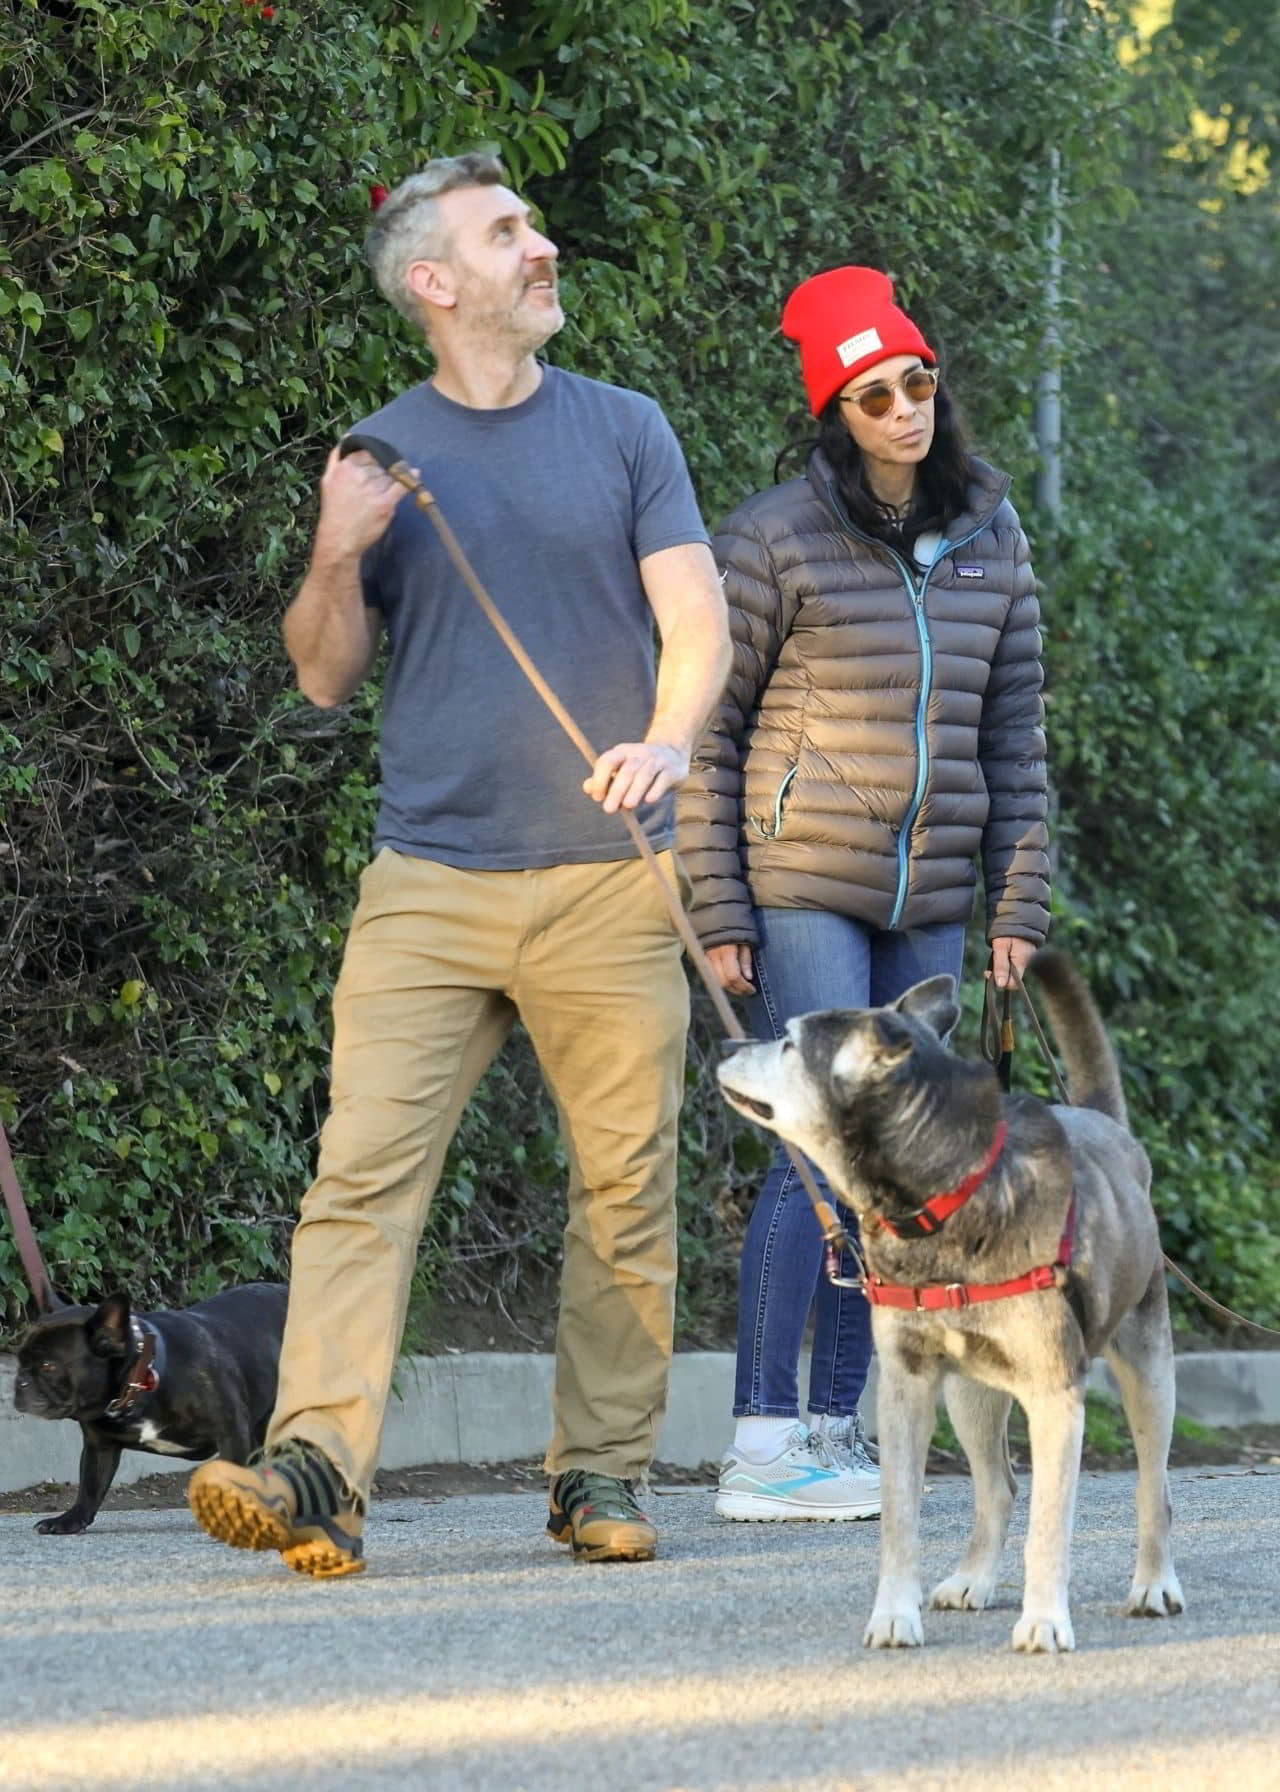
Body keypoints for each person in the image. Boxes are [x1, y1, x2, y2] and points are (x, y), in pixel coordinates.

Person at [188, 154, 731, 1575]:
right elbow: (320, 679)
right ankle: (316, 1465)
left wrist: (671, 740)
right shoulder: (375, 455)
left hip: (610, 873)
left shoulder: (626, 431)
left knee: (624, 1188)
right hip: (427, 879)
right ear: (434, 281)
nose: (543, 247)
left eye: (535, 226)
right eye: (509, 234)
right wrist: (332, 549)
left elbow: (699, 620)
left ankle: (598, 1474)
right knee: (358, 1180)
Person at [677, 266, 1049, 1521]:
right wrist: (719, 908)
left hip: (932, 892)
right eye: (873, 391)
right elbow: (708, 733)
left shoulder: (992, 535)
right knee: (813, 1149)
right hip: (800, 882)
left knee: (901, 1160)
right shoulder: (773, 535)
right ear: (834, 410)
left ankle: (838, 1428)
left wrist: (1017, 911)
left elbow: (1014, 743)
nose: (904, 408)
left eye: (917, 381)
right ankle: (761, 1437)